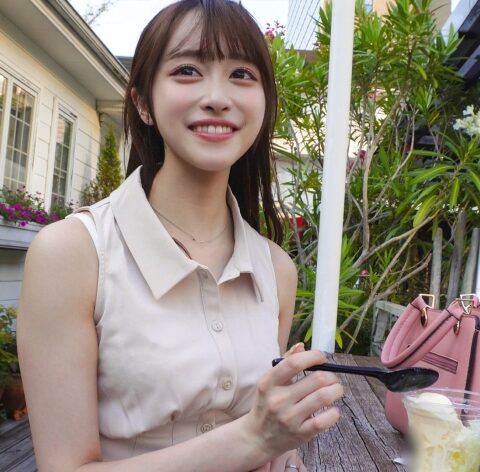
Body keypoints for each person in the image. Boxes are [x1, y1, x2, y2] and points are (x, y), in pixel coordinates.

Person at [17, 1, 343, 471]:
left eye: (242, 74)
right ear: (143, 103)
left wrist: (283, 443)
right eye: (187, 70)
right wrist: (253, 438)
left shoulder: (275, 269)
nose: (217, 97)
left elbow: (273, 440)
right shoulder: (71, 254)